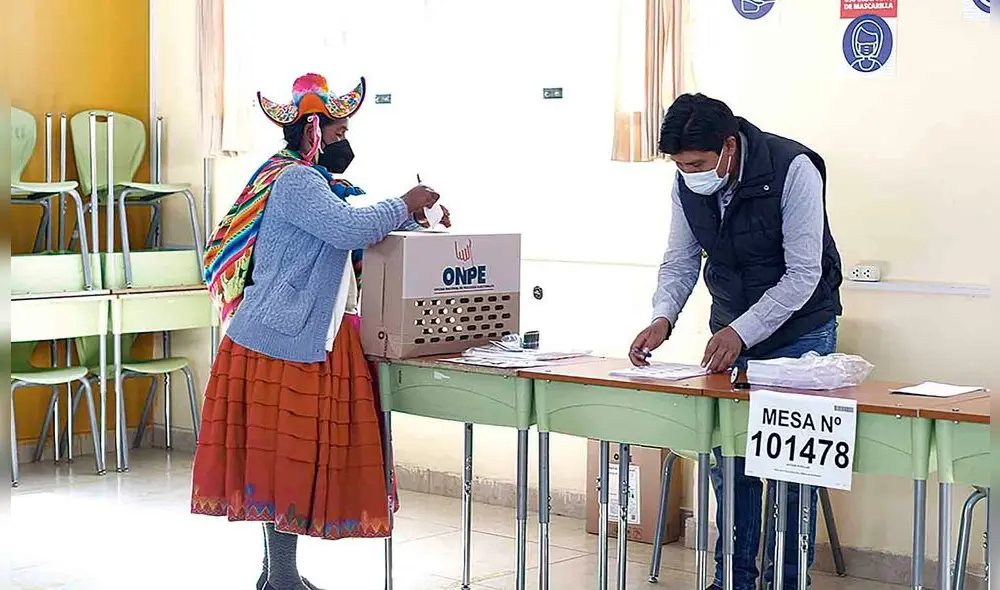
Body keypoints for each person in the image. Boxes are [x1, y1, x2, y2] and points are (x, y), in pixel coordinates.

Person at [192, 73, 448, 590]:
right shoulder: (296, 181)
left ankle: (276, 576)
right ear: (313, 130)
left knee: (283, 460)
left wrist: (417, 223)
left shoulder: (307, 182)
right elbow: (348, 229)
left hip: (290, 337)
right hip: (280, 340)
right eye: (337, 133)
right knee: (285, 462)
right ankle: (282, 576)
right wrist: (406, 200)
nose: (343, 143)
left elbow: (351, 236)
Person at [629, 93, 843, 590]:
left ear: (728, 147)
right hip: (731, 330)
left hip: (800, 333)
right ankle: (734, 580)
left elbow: (803, 273)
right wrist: (663, 318)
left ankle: (790, 581)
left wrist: (741, 330)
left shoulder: (795, 169)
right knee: (733, 463)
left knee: (793, 472)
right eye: (680, 165)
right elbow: (681, 259)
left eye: (698, 163)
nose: (689, 173)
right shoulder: (687, 182)